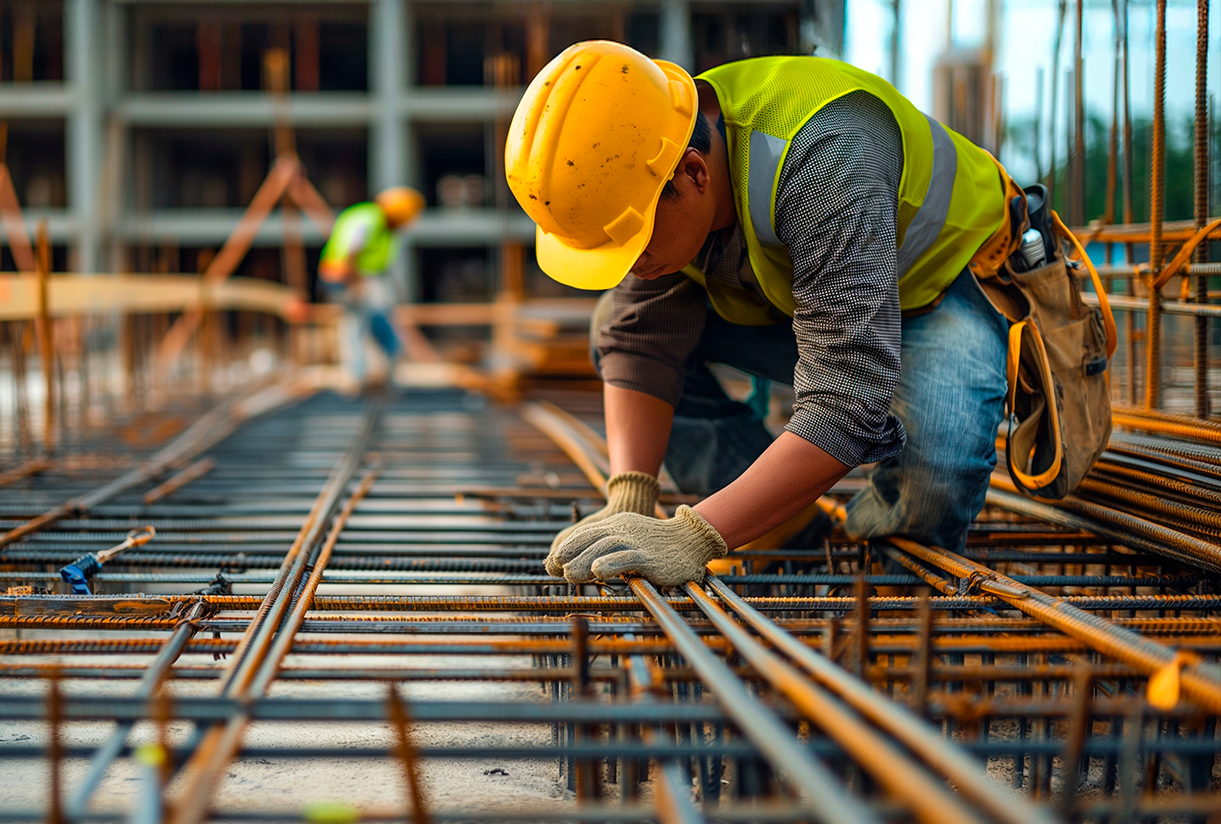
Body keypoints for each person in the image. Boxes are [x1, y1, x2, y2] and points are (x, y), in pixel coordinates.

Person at [511, 41, 1015, 588]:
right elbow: (642, 340)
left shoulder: (824, 158)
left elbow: (848, 396)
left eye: (630, 240)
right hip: (816, 297)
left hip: (940, 286)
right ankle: (788, 526)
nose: (628, 262)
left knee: (938, 477)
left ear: (695, 175)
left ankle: (895, 591)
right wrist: (629, 495)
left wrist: (695, 535)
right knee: (613, 318)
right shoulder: (644, 145)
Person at [319, 186, 426, 386]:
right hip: (347, 277)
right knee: (356, 325)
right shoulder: (369, 219)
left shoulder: (385, 226)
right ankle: (358, 376)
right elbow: (351, 249)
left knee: (374, 321)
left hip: (365, 277)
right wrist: (354, 281)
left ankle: (383, 371)